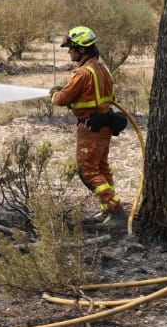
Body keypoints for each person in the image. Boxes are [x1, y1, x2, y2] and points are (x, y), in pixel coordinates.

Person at [50, 26, 125, 223]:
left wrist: (55, 95)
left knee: (87, 170)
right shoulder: (102, 68)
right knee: (101, 166)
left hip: (91, 128)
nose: (69, 52)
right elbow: (90, 96)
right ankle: (108, 210)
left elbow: (62, 99)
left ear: (82, 49)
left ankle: (115, 209)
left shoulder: (83, 73)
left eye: (71, 48)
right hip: (105, 125)